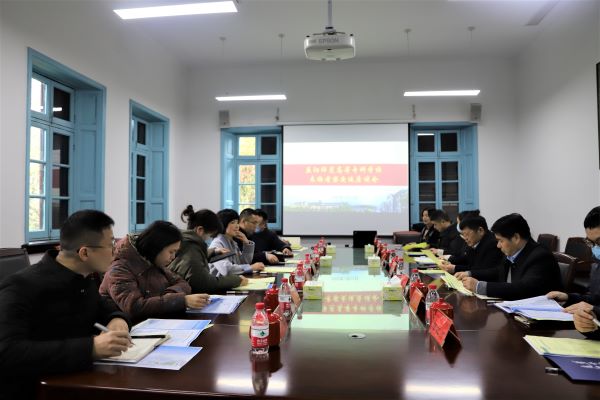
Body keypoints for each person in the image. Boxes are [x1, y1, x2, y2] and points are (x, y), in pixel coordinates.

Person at [0, 210, 132, 400]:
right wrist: (91, 348)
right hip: (36, 390)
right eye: (111, 245)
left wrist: (117, 320)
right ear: (84, 253)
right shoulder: (20, 286)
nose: (115, 251)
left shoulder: (83, 279)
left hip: (80, 381)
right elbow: (8, 352)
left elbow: (106, 308)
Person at [100, 220, 209, 322]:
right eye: (171, 252)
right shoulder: (119, 270)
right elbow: (134, 307)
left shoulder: (153, 262)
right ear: (156, 247)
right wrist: (181, 301)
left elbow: (183, 283)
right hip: (131, 329)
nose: (173, 257)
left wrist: (170, 295)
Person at [457, 213, 563, 300]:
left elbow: (523, 288)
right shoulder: (513, 252)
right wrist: (470, 274)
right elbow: (498, 272)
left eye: (500, 241)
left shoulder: (541, 257)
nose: (498, 245)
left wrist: (479, 286)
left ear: (516, 238)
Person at [546, 206, 600, 338]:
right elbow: (596, 299)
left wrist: (595, 312)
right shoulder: (597, 267)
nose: (595, 249)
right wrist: (569, 297)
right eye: (591, 243)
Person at [169, 205, 248, 293]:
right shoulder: (191, 251)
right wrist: (236, 280)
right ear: (200, 230)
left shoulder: (187, 243)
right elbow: (205, 284)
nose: (209, 240)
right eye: (209, 236)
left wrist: (213, 252)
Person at [440, 215, 504, 274]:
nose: (465, 238)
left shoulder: (492, 244)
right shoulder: (475, 241)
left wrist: (456, 268)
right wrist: (452, 265)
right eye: (463, 235)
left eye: (467, 234)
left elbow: (483, 270)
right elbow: (468, 262)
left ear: (480, 230)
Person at [210, 209, 265, 276]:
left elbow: (244, 263)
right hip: (219, 282)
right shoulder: (217, 243)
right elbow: (226, 269)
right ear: (223, 224)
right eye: (233, 223)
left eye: (237, 222)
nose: (237, 226)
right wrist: (251, 267)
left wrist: (247, 243)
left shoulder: (232, 242)